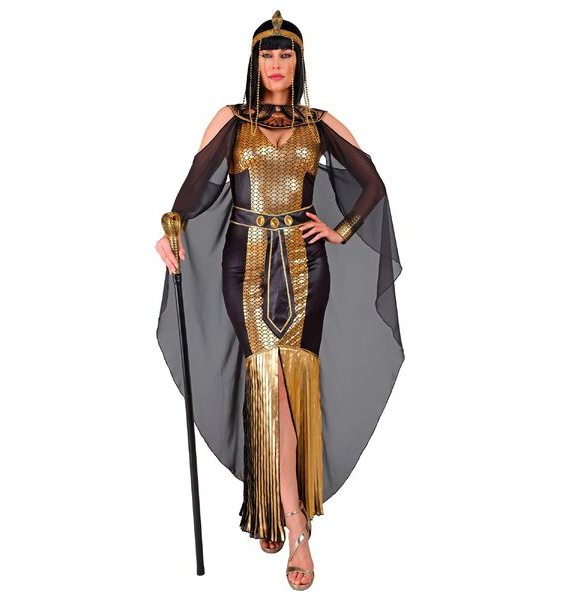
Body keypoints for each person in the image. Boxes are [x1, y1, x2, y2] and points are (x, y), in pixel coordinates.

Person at [155, 10, 404, 590]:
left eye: (285, 54)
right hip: (242, 266)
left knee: (291, 384)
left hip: (305, 266)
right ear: (255, 61)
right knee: (266, 380)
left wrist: (341, 230)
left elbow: (372, 183)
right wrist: (170, 227)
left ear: (298, 62)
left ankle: (273, 506)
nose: (276, 64)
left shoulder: (319, 122)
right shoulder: (232, 119)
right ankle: (294, 522)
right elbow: (194, 188)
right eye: (267, 54)